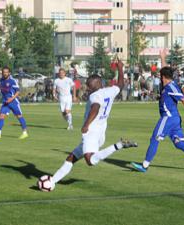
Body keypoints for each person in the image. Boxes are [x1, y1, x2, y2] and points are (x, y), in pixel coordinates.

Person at [48, 60, 138, 189]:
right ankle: (52, 181)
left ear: (97, 85)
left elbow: (95, 108)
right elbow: (120, 84)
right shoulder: (110, 91)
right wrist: (120, 68)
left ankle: (119, 145)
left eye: (89, 86)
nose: (88, 89)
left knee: (90, 160)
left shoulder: (94, 96)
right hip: (101, 131)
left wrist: (86, 125)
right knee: (71, 157)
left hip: (91, 131)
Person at [131, 50, 184, 173]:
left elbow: (183, 99)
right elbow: (164, 70)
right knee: (179, 144)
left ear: (163, 77)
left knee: (155, 139)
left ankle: (145, 166)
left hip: (168, 118)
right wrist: (162, 57)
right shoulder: (166, 83)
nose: (160, 77)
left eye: (160, 76)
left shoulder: (171, 86)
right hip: (175, 119)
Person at [0, 66, 28, 139]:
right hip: (5, 102)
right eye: (4, 72)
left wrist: (12, 98)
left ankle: (25, 132)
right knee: (1, 116)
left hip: (14, 102)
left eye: (6, 72)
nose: (5, 73)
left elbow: (18, 91)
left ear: (9, 73)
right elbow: (0, 84)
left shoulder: (12, 81)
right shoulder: (1, 80)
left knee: (19, 116)